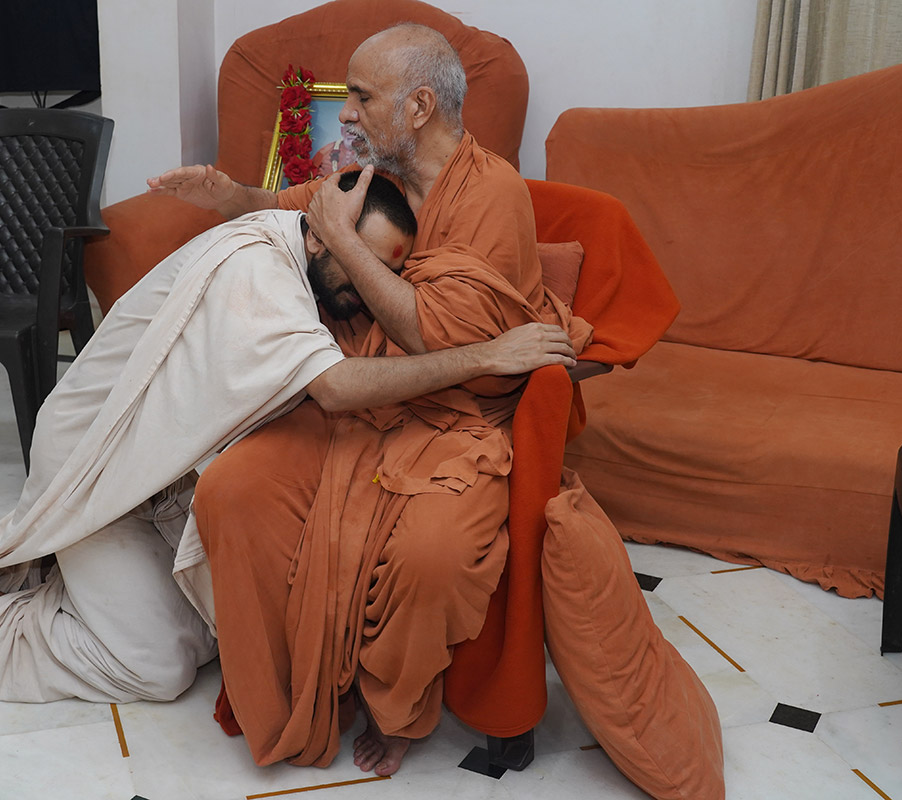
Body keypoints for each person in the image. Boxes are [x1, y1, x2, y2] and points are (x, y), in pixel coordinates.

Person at [0, 170, 579, 705]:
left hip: (161, 477)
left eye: (387, 273)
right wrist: (486, 356)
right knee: (160, 667)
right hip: (97, 468)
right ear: (321, 237)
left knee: (213, 633)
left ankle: (46, 577)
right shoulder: (259, 271)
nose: (372, 288)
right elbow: (335, 387)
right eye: (359, 261)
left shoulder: (294, 246)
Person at [148, 23, 593, 777]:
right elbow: (293, 205)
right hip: (351, 403)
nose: (346, 112)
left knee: (433, 554)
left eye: (361, 96)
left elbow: (432, 335)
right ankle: (289, 688)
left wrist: (345, 242)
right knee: (230, 492)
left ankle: (397, 710)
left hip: (454, 422)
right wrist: (231, 196)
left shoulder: (492, 194)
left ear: (419, 107)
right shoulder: (366, 174)